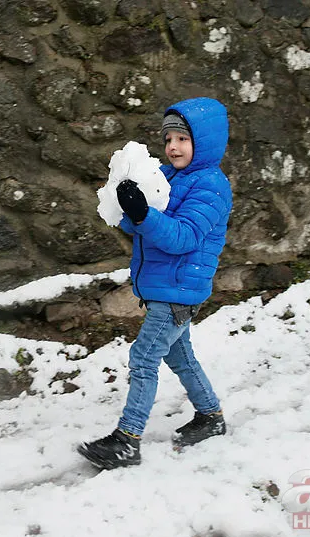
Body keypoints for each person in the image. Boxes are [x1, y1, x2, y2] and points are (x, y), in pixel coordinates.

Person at [78, 97, 233, 469]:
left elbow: (183, 237)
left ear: (205, 141)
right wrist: (129, 207)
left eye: (183, 138)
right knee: (181, 358)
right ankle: (211, 417)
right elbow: (143, 225)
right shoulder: (168, 176)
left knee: (144, 358)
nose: (173, 147)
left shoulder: (211, 186)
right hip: (166, 286)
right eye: (168, 139)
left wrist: (143, 213)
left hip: (179, 289)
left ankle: (127, 440)